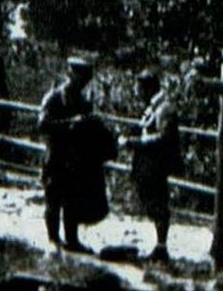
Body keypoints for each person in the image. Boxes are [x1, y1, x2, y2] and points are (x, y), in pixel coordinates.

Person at [37, 56, 116, 254]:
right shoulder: (53, 98)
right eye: (78, 78)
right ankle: (53, 240)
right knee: (53, 200)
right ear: (70, 75)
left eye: (85, 80)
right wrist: (71, 124)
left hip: (75, 161)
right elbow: (42, 125)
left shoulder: (83, 102)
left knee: (72, 201)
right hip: (56, 156)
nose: (81, 83)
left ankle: (72, 240)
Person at [121, 69, 184, 263]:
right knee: (151, 203)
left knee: (158, 204)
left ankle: (161, 247)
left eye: (140, 88)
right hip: (148, 165)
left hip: (157, 165)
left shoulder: (164, 108)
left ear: (147, 88)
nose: (137, 93)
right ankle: (159, 247)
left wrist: (135, 142)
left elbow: (164, 137)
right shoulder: (154, 107)